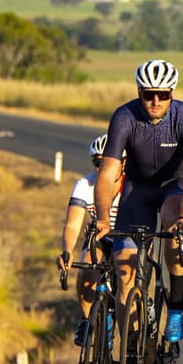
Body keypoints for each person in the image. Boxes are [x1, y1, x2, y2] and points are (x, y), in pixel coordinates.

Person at [95, 59, 183, 362]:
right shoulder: (124, 117)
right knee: (125, 274)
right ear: (139, 91)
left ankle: (177, 306)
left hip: (172, 188)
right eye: (148, 94)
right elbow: (107, 173)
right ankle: (132, 351)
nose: (155, 101)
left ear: (172, 93)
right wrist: (103, 217)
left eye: (163, 95)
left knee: (174, 228)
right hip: (136, 192)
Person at [57, 132, 120, 350]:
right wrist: (67, 251)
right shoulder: (85, 184)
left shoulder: (132, 186)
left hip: (126, 238)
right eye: (96, 162)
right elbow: (73, 224)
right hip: (99, 239)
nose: (101, 167)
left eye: (108, 162)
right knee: (86, 267)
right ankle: (86, 321)